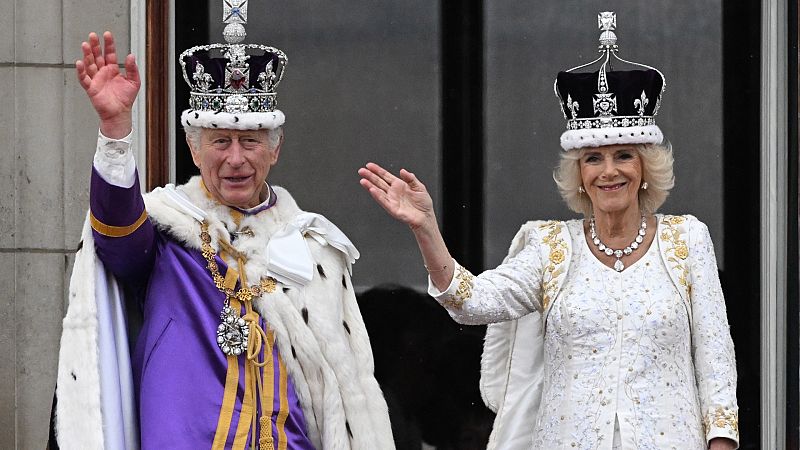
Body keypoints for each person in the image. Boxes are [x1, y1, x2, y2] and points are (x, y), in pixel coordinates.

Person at [358, 11, 738, 450]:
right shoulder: (550, 247)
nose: (608, 171)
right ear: (578, 174)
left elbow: (716, 361)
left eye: (623, 156)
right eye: (593, 158)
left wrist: (722, 442)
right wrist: (426, 228)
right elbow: (470, 303)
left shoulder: (687, 240)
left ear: (646, 167)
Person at [55, 8, 395, 449]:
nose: (235, 159)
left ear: (275, 150)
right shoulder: (166, 233)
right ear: (194, 150)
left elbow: (344, 395)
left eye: (250, 141)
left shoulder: (314, 249)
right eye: (220, 141)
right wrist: (116, 131)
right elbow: (116, 234)